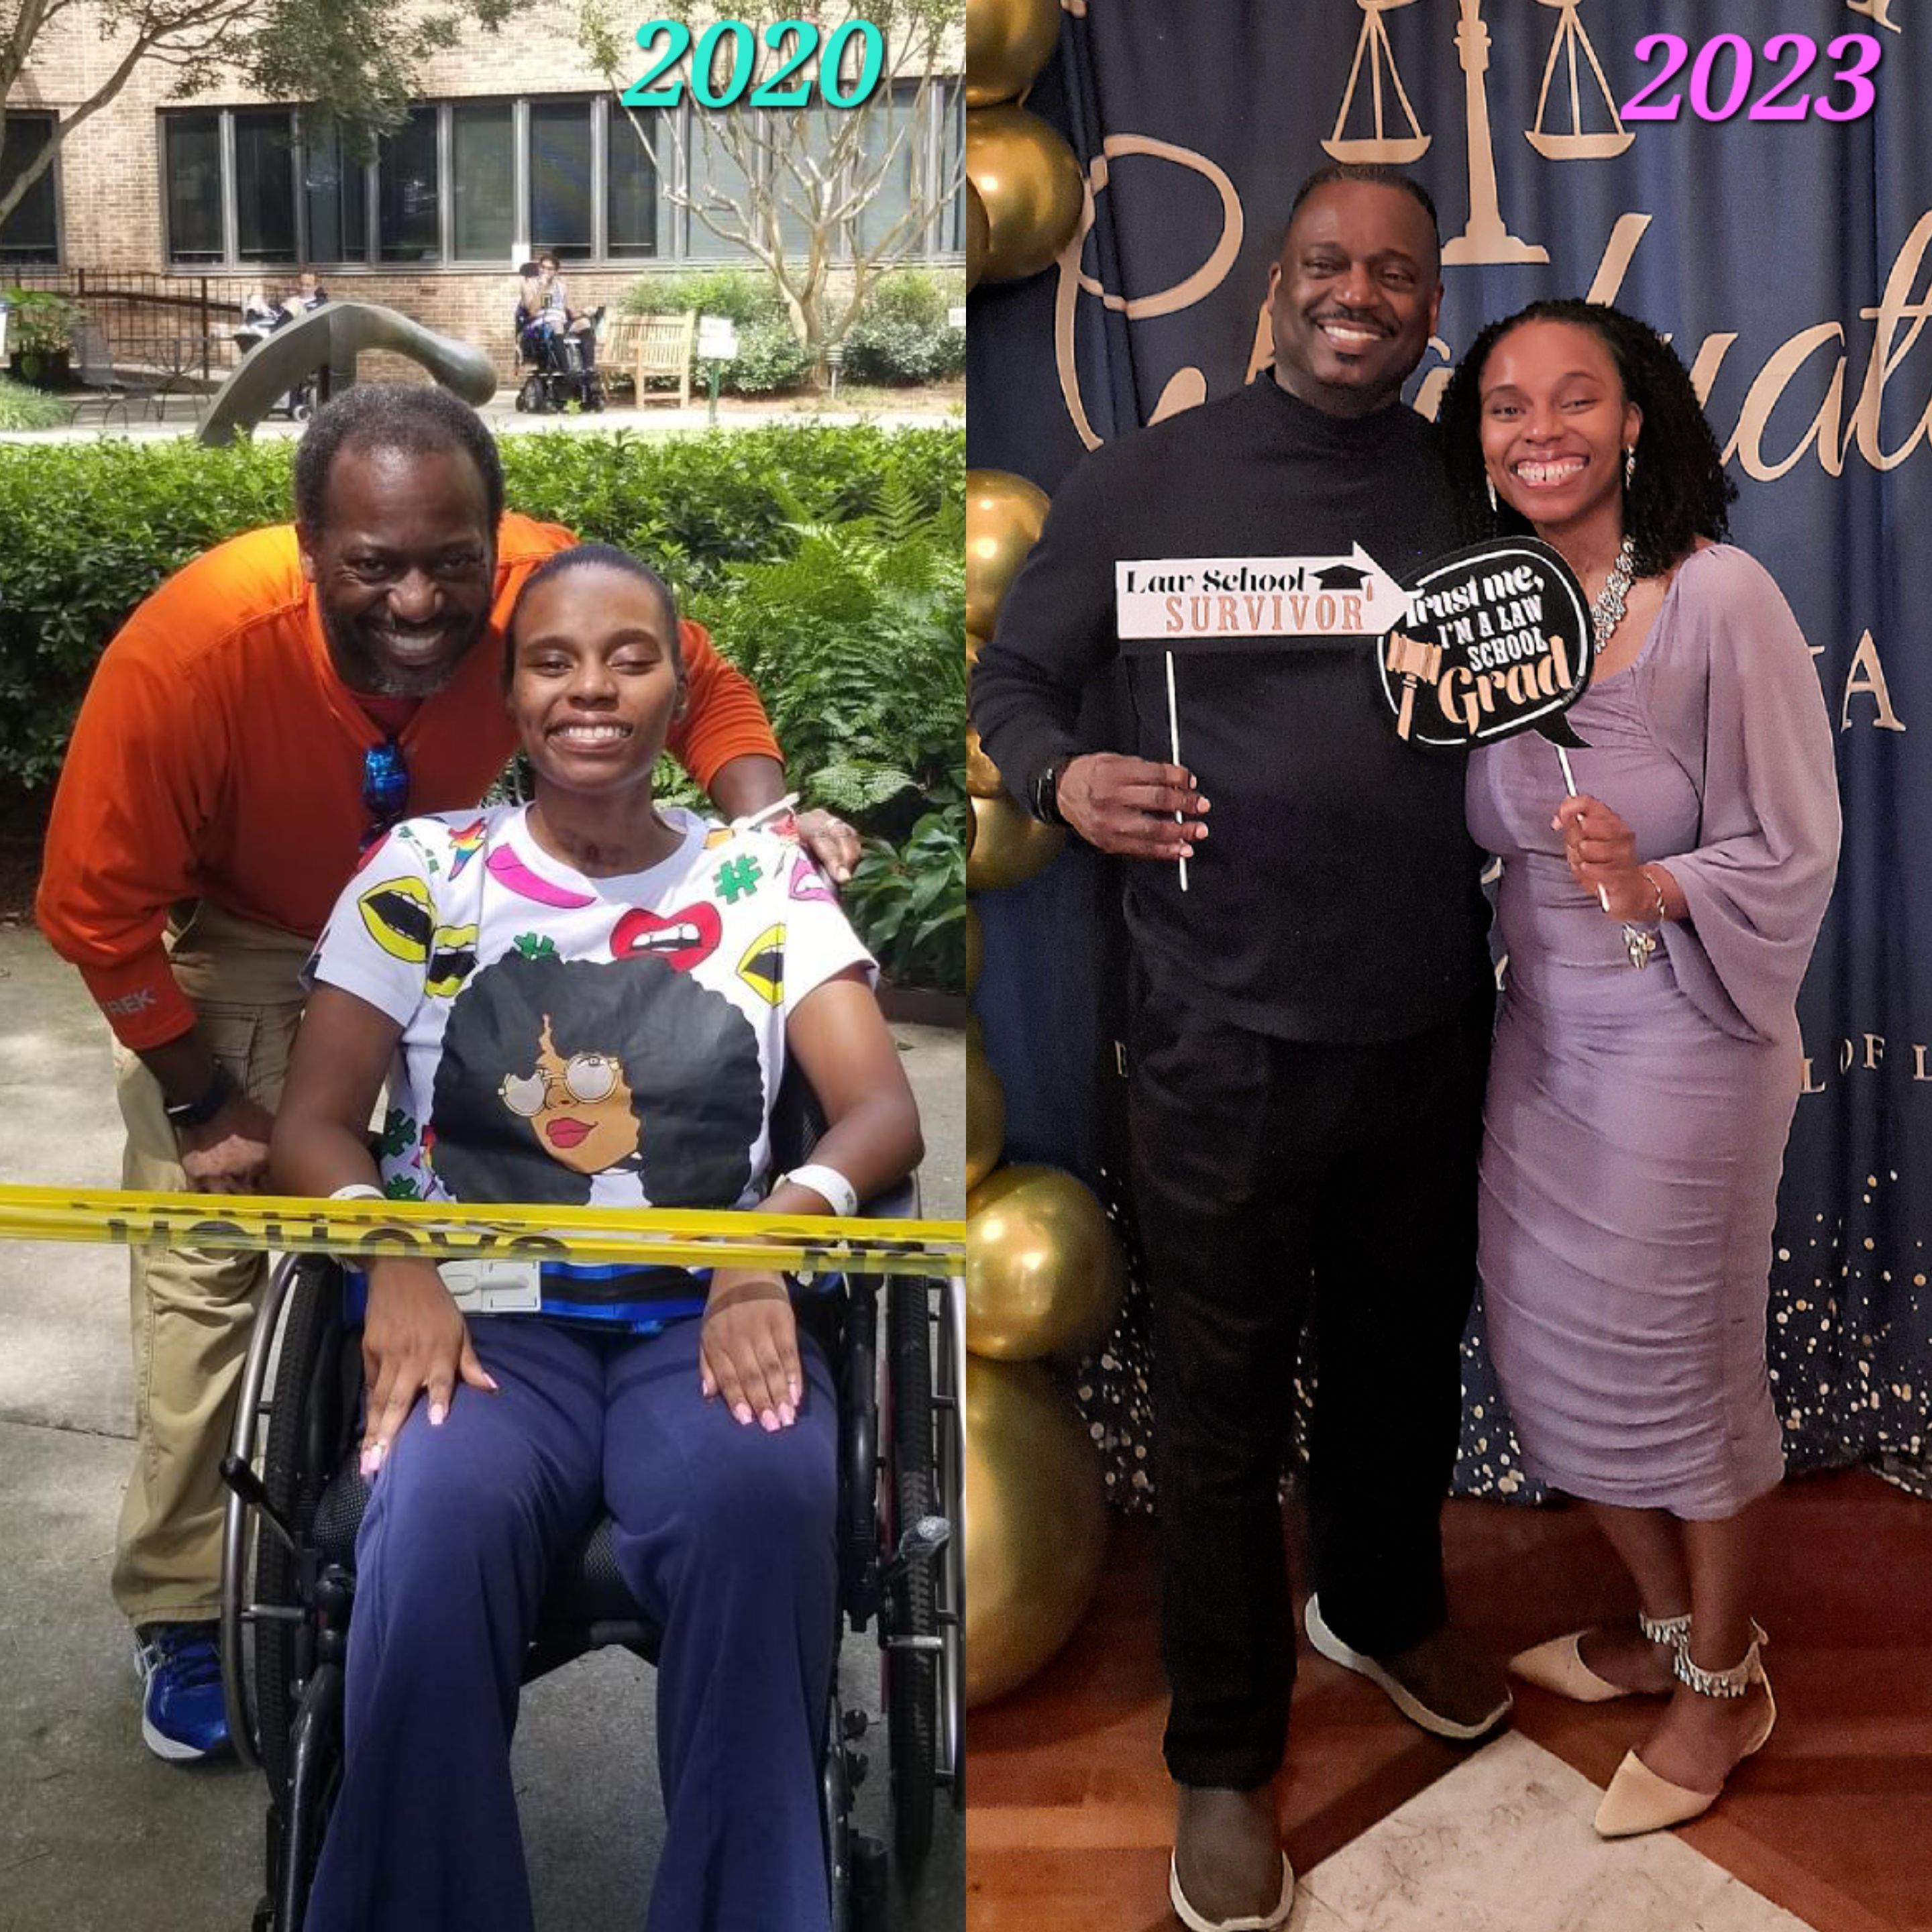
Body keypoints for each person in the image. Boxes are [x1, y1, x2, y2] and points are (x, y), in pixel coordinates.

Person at [34, 383, 864, 1764]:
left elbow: (703, 687)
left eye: (450, 563)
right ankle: (188, 1602)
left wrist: (761, 839)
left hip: (489, 909)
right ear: (309, 550)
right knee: (211, 1272)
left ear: (494, 544)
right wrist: (198, 1096)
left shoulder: (550, 591)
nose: (420, 596)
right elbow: (92, 908)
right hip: (263, 926)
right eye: (374, 567)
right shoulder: (189, 656)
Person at [971, 165, 1508, 1931]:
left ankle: (1378, 1601)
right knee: (1216, 1408)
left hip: (1431, 1009)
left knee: (1402, 1353)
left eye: (1401, 273)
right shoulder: (1146, 483)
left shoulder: (1476, 480)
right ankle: (1222, 1756)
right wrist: (1062, 776)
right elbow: (1011, 687)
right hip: (1214, 1029)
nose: (1366, 294)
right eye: (1333, 264)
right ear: (1277, 284)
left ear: (1435, 300)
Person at [270, 542, 922, 1931]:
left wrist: (767, 1241)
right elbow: (314, 1127)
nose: (593, 689)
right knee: (433, 1520)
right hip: (483, 1317)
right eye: (555, 661)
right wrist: (390, 1259)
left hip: (708, 1312)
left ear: (680, 688)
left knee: (765, 1498)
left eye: (630, 658)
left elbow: (875, 1112)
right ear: (507, 695)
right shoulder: (426, 872)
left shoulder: (762, 880)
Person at [1438, 299, 1839, 1836]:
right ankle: (1675, 1631)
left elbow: (1798, 841)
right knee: (1551, 1361)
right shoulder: (1482, 609)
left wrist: (1659, 881)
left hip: (1687, 1038)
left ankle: (1725, 1688)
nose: (1535, 428)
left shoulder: (1718, 595)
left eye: (1571, 399)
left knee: (1684, 1377)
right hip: (1540, 1039)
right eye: (1501, 406)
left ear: (1633, 422)